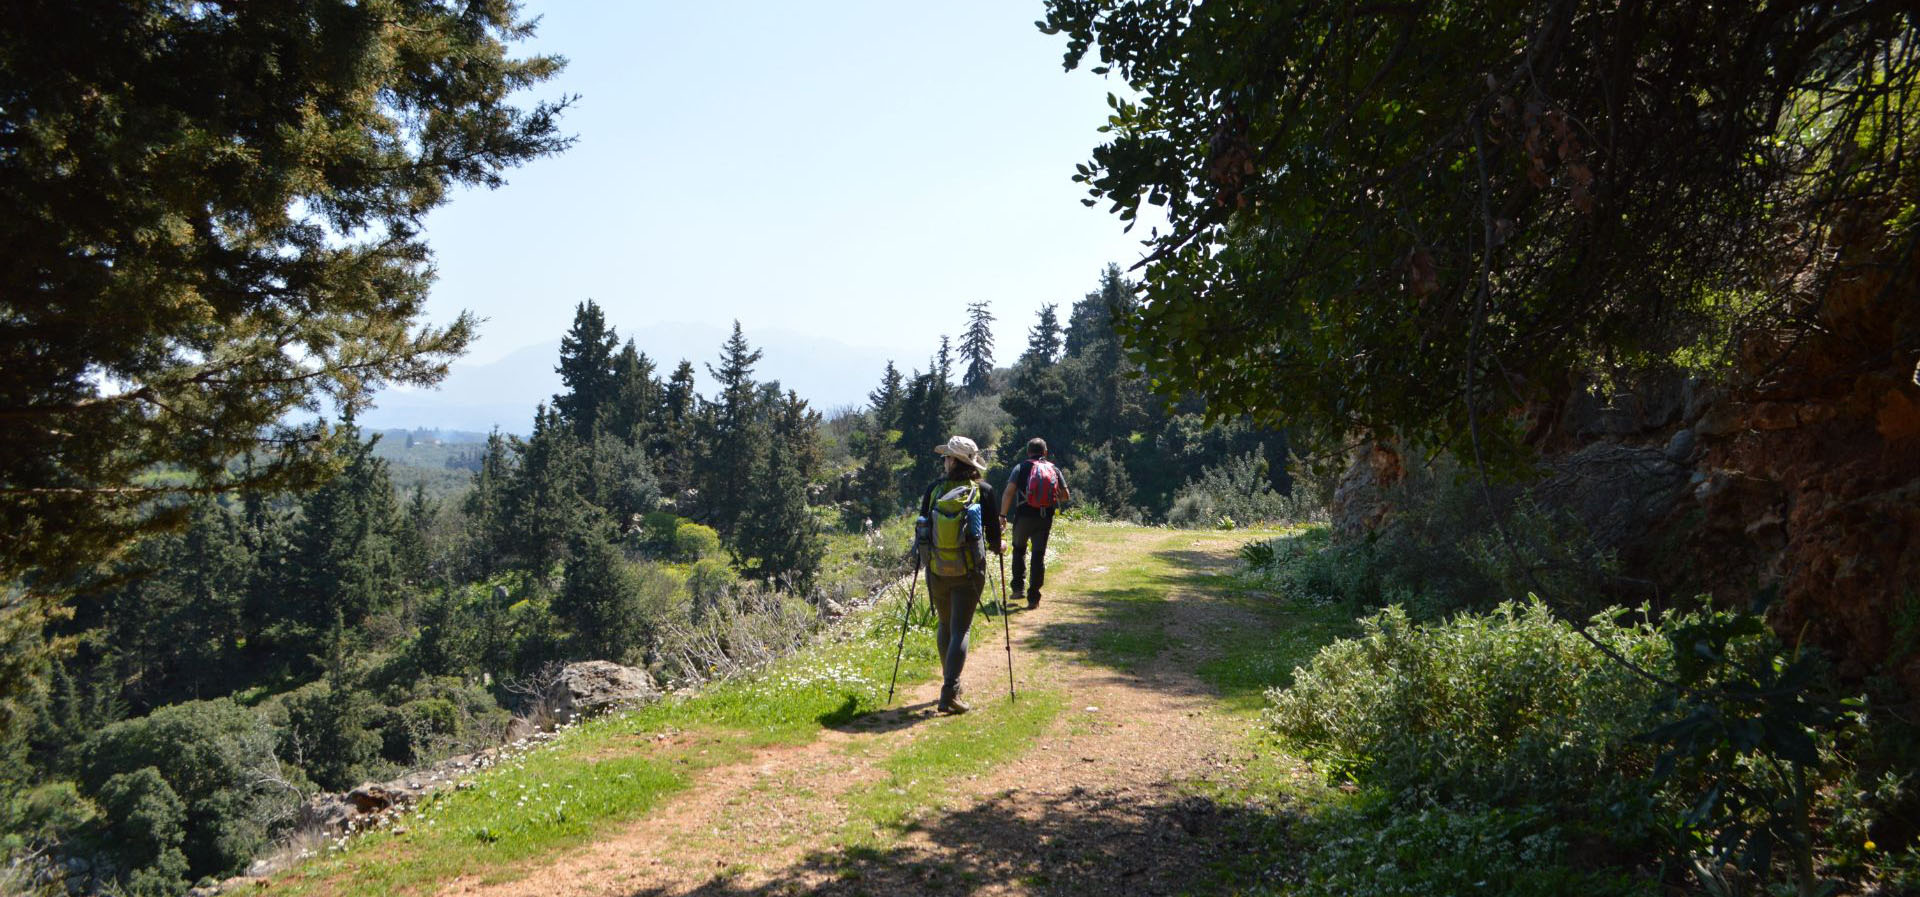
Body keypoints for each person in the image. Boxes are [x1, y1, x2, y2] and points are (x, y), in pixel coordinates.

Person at [917, 435, 1004, 714]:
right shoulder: (984, 491)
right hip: (969, 571)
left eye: (946, 457)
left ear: (953, 461)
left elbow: (923, 528)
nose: (944, 461)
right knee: (961, 629)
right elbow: (993, 540)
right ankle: (950, 691)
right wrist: (1000, 545)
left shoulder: (933, 490)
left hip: (937, 570)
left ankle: (950, 683)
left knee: (945, 626)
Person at [999, 437, 1069, 609]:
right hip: (1044, 518)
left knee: (1018, 549)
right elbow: (1065, 496)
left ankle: (1018, 589)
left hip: (1023, 516)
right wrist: (1049, 497)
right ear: (1045, 452)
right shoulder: (1053, 468)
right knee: (1038, 555)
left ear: (1028, 452)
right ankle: (1034, 598)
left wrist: (1002, 515)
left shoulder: (1020, 468)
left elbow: (1009, 492)